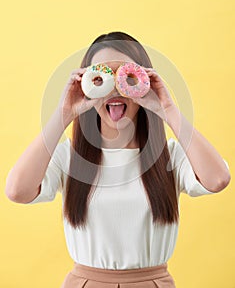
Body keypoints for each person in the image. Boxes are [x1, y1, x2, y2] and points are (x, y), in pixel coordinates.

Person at [5, 31, 231, 288]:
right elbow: (16, 191)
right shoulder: (69, 158)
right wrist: (64, 113)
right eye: (102, 78)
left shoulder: (169, 157)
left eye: (126, 76)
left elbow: (218, 179)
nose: (114, 90)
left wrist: (167, 109)